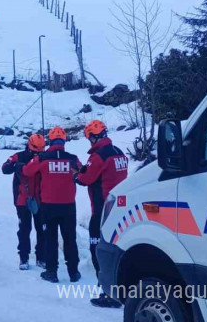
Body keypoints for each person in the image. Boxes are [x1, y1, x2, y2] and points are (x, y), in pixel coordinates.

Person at [75, 120, 128, 309]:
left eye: (89, 137)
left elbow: (86, 178)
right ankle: (119, 284)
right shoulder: (119, 153)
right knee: (118, 248)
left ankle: (107, 291)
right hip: (120, 208)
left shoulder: (97, 156)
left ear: (93, 137)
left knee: (99, 249)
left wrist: (77, 175)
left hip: (102, 210)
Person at [22, 127, 82, 283]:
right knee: (70, 239)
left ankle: (51, 272)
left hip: (48, 205)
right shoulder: (72, 158)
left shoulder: (42, 158)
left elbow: (27, 171)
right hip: (69, 205)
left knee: (51, 239)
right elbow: (82, 173)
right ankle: (73, 272)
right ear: (63, 141)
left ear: (49, 141)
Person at [1, 134, 45, 270]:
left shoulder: (45, 156)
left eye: (40, 150)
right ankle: (23, 257)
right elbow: (4, 168)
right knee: (24, 229)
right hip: (22, 199)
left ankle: (41, 257)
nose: (38, 153)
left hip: (40, 199)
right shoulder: (18, 156)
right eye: (36, 150)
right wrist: (15, 166)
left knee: (42, 230)